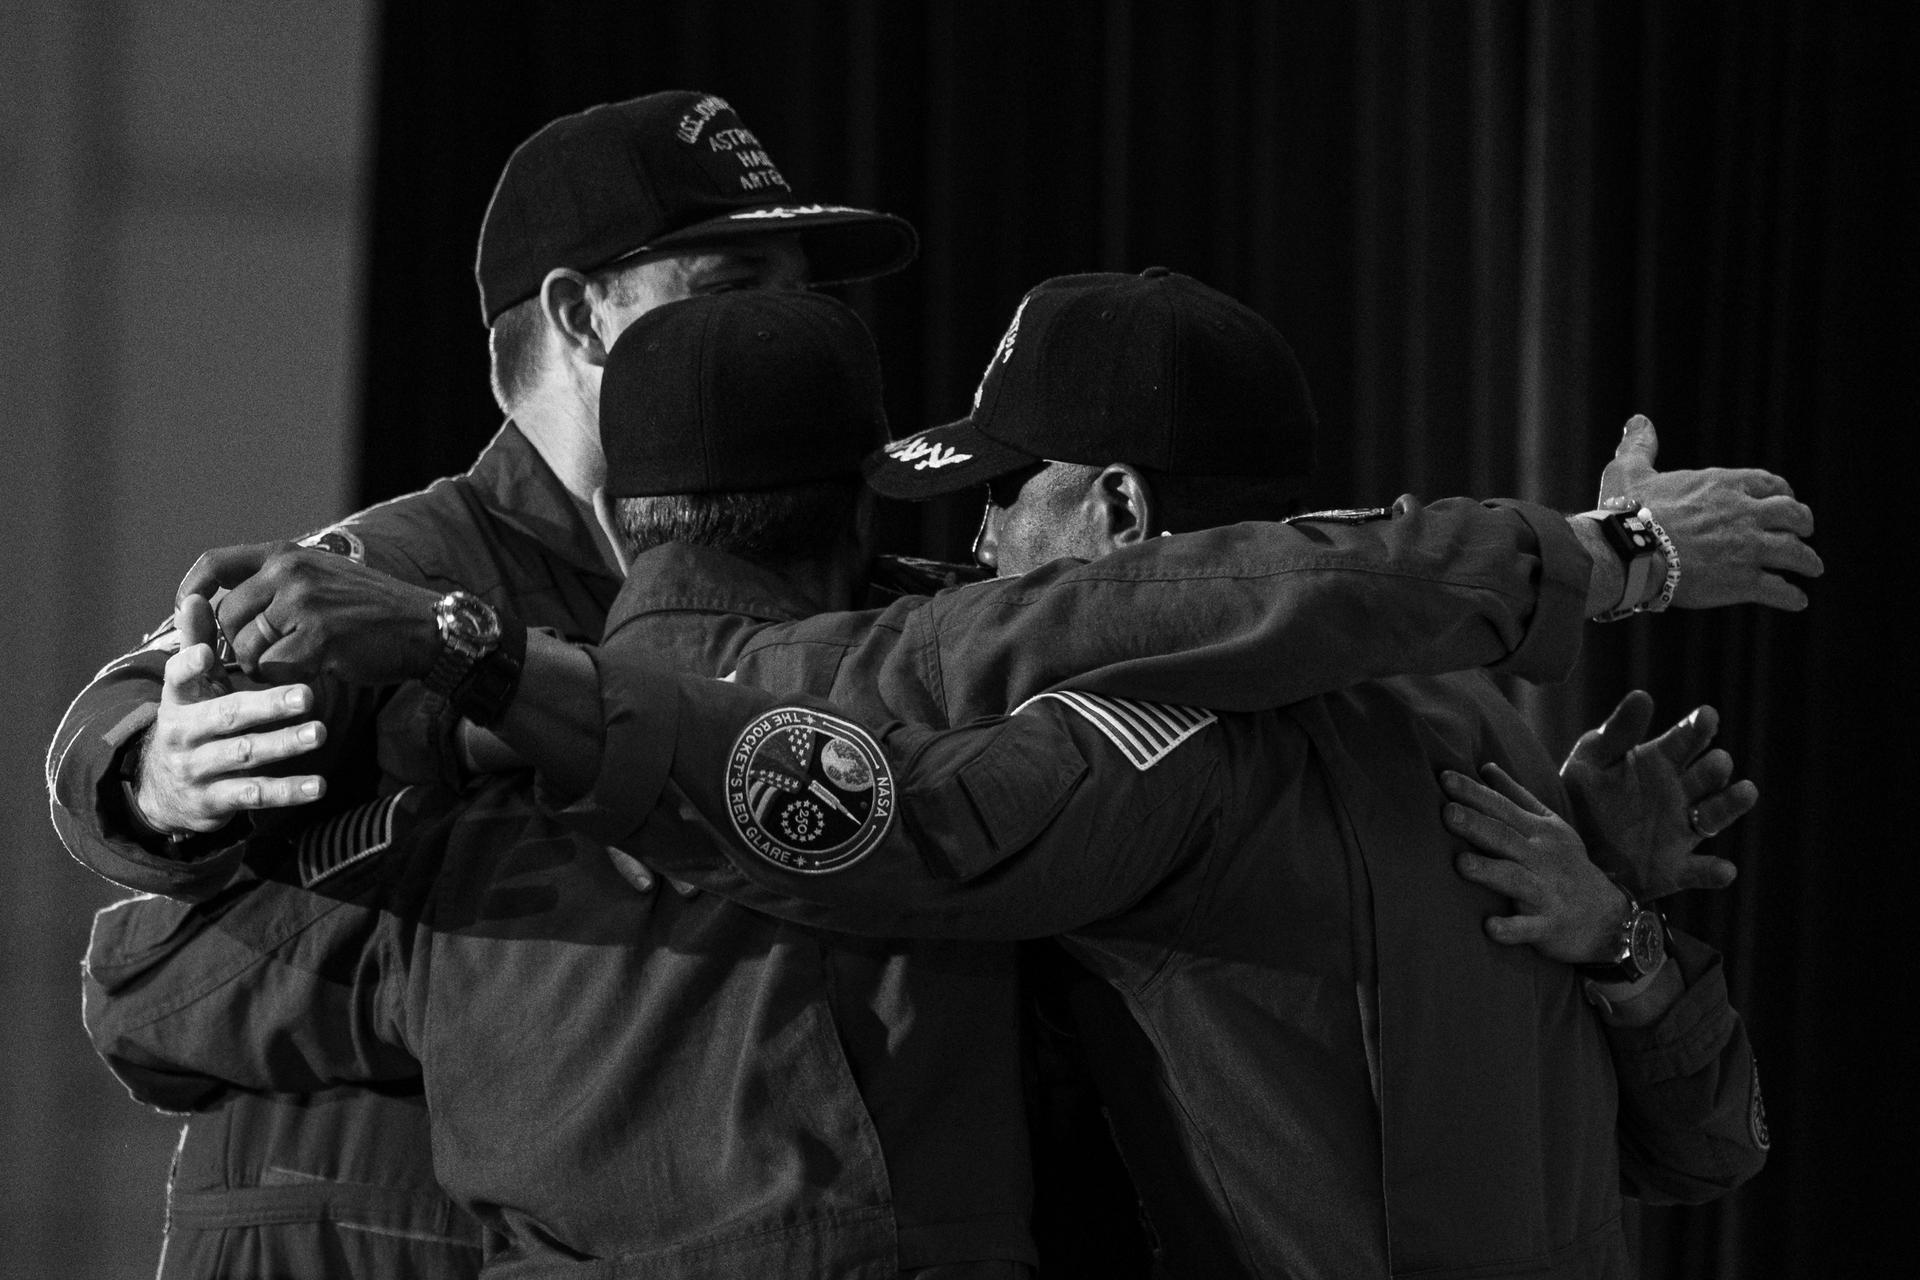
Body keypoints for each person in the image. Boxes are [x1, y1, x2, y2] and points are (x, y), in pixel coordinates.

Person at [143, 279, 1810, 1276]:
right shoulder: (1490, 744)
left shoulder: (1147, 754)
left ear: (1124, 517)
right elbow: (1710, 1150)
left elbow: (901, 822)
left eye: (1012, 496)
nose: (983, 544)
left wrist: (451, 674)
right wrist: (1627, 944)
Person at [49, 90, 919, 1279]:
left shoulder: (817, 563)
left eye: (803, 288)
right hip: (355, 1232)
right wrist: (159, 773)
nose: (790, 322)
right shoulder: (408, 563)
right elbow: (138, 716)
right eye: (735, 285)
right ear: (580, 314)